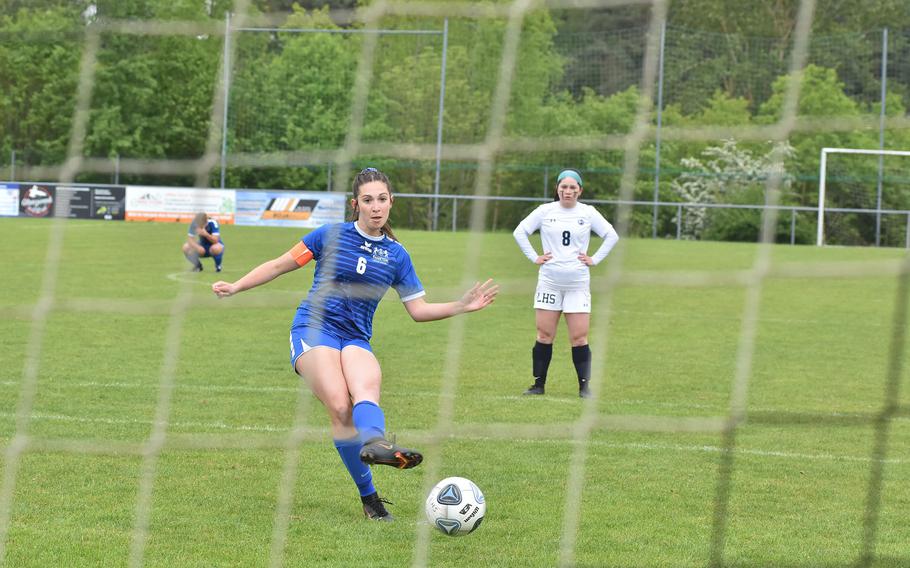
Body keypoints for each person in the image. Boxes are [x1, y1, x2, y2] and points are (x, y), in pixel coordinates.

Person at [211, 167, 498, 522]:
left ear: (391, 202)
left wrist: (460, 305)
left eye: (381, 199)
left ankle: (377, 445)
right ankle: (370, 498)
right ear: (355, 204)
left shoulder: (397, 256)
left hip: (356, 335)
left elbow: (418, 310)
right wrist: (236, 286)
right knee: (339, 405)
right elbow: (279, 265)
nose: (375, 207)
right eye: (368, 200)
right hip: (314, 327)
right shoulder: (329, 236)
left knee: (366, 388)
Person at [512, 169, 619, 399]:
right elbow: (520, 232)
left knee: (579, 337)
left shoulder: (588, 213)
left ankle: (584, 388)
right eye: (564, 187)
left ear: (580, 190)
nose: (567, 191)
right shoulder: (545, 211)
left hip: (578, 284)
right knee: (544, 334)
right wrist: (535, 257)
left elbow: (611, 235)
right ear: (557, 188)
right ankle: (538, 385)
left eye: (573, 187)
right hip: (549, 282)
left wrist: (595, 259)